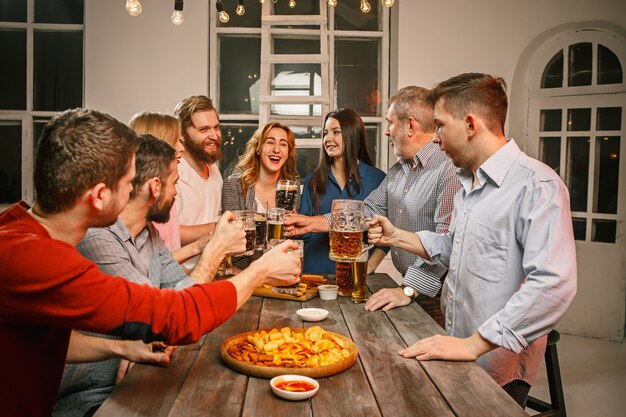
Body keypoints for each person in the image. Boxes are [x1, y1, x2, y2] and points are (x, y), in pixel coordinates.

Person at [0, 108, 301, 417]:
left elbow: (49, 337)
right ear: (100, 195)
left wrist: (120, 347)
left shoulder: (25, 235)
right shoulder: (34, 259)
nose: (135, 189)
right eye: (129, 182)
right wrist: (260, 268)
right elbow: (175, 315)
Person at [367, 73, 577, 406]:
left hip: (497, 357)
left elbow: (553, 285)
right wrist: (398, 237)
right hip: (459, 343)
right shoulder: (469, 184)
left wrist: (473, 344)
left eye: (439, 125)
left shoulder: (536, 185)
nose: (435, 138)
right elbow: (452, 247)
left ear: (469, 124)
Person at [54, 134, 249, 416]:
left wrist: (209, 248)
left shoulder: (149, 234)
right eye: (175, 183)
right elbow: (164, 318)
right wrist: (217, 251)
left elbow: (180, 293)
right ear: (155, 187)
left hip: (141, 378)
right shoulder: (97, 240)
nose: (176, 193)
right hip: (93, 400)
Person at [285, 89, 460, 323]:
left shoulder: (448, 169)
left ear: (410, 126)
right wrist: (310, 223)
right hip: (410, 287)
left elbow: (445, 243)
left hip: (437, 293)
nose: (386, 131)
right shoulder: (399, 172)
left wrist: (408, 289)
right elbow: (366, 211)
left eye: (390, 123)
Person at [298, 108, 386, 275]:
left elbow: (386, 234)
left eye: (336, 132)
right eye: (325, 133)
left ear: (352, 134)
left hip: (354, 277)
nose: (328, 139)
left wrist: (370, 266)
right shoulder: (313, 180)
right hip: (314, 275)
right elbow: (304, 233)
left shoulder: (378, 179)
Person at [173, 95, 223, 269]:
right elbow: (169, 231)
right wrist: (218, 227)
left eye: (216, 127)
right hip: (180, 272)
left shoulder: (214, 170)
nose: (214, 136)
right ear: (182, 134)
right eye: (203, 130)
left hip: (210, 267)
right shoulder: (174, 173)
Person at [221, 121, 300, 213]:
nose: (276, 150)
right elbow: (231, 225)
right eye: (270, 142)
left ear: (288, 153)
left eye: (283, 144)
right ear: (258, 149)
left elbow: (289, 225)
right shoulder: (234, 185)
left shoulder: (292, 188)